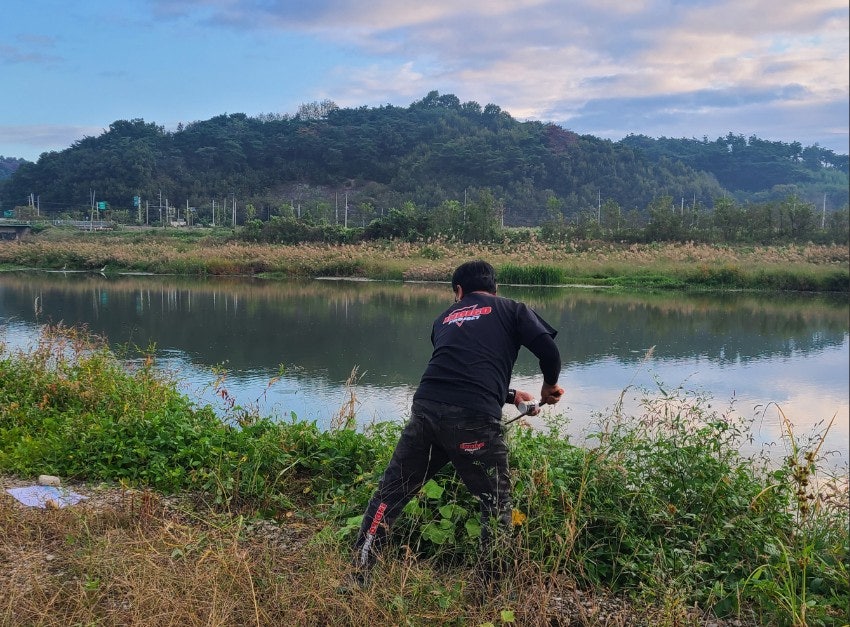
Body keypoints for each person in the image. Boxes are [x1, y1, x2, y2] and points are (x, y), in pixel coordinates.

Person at [348, 260, 564, 589]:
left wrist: (510, 396)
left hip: (426, 410)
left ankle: (358, 575)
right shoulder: (511, 309)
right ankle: (490, 591)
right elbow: (548, 348)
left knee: (391, 493)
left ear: (458, 292)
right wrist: (549, 386)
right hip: (473, 420)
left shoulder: (444, 319)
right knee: (495, 502)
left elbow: (458, 368)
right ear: (496, 289)